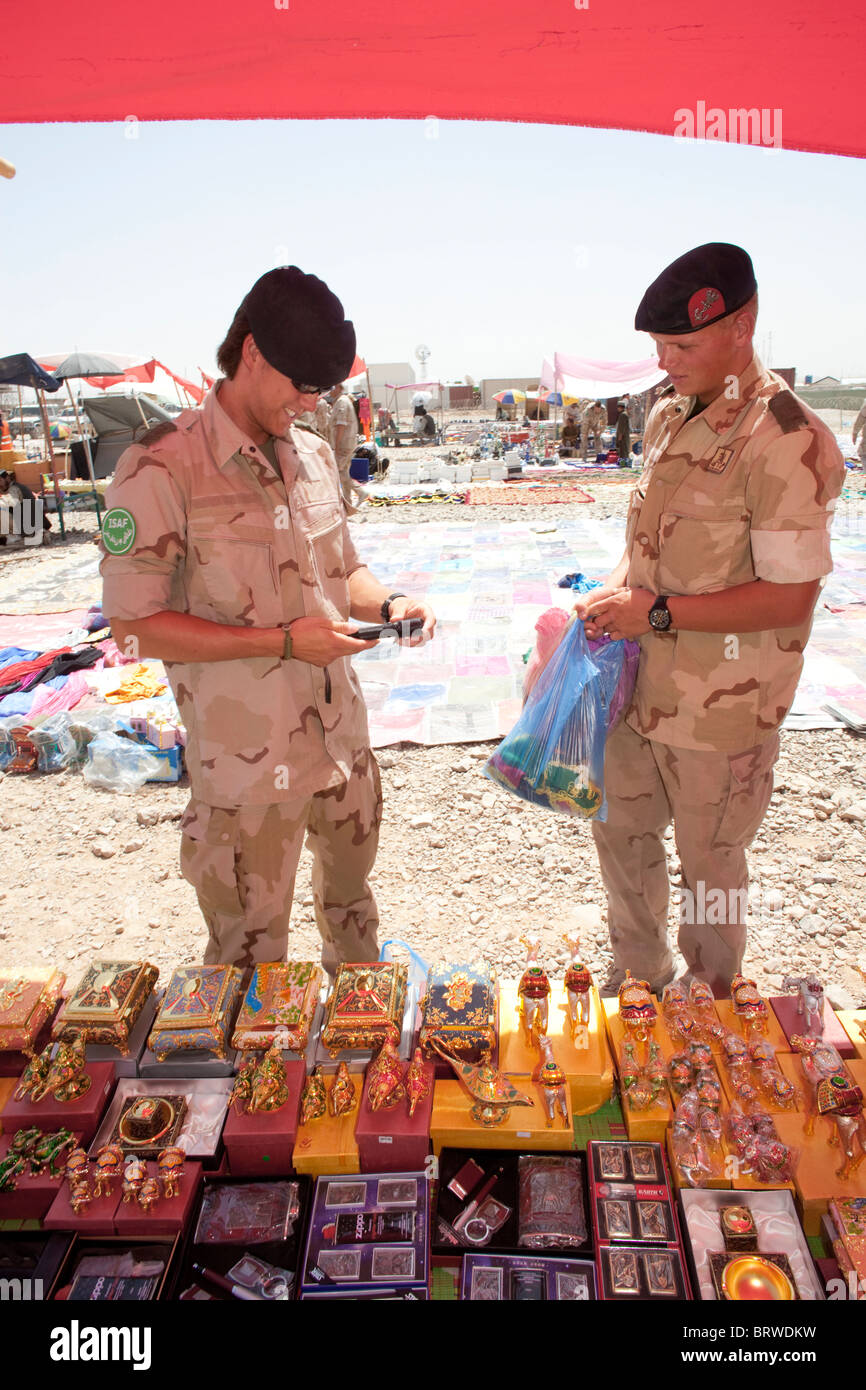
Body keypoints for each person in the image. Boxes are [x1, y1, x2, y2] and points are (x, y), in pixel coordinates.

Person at [99, 265, 436, 972]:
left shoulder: (312, 455)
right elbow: (133, 625)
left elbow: (344, 572)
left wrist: (393, 605)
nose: (311, 404)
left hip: (341, 746)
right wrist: (283, 643)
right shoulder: (162, 467)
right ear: (251, 352)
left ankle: (355, 1068)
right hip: (248, 774)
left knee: (352, 919)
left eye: (323, 390)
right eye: (301, 386)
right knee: (249, 963)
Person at [574, 242, 845, 997]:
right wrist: (614, 596)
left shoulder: (785, 440)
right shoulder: (668, 416)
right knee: (620, 833)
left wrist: (652, 610)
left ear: (743, 326)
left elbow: (790, 597)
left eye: (683, 344)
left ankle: (714, 1003)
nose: (667, 361)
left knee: (711, 869)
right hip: (640, 688)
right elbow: (648, 547)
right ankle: (640, 979)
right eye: (659, 346)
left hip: (720, 713)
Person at [327, 382, 364, 511]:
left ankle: (360, 492)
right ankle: (347, 503)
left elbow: (341, 425)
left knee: (340, 472)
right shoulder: (342, 401)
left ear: (338, 388)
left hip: (343, 443)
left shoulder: (342, 402)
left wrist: (336, 446)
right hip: (346, 442)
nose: (330, 391)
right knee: (344, 471)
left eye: (332, 388)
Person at [614, 401, 631, 465]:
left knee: (623, 451)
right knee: (625, 451)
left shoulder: (623, 415)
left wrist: (619, 437)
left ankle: (624, 464)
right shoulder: (624, 414)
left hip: (623, 437)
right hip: (625, 436)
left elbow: (621, 428)